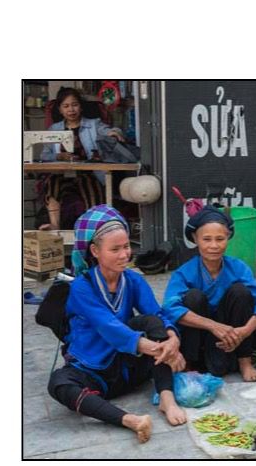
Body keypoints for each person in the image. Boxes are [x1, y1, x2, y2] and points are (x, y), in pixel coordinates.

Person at [47, 205, 187, 444]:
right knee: (58, 384)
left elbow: (157, 314)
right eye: (115, 249)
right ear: (95, 251)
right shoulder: (82, 287)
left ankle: (167, 398)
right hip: (94, 371)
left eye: (126, 247)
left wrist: (173, 338)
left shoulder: (132, 279)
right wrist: (161, 350)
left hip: (128, 367)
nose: (124, 255)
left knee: (152, 322)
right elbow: (108, 327)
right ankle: (130, 420)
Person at [162, 206, 256, 382]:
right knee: (193, 297)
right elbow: (170, 308)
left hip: (233, 337)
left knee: (241, 292)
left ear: (228, 239)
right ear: (195, 239)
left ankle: (245, 361)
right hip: (201, 340)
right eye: (206, 239)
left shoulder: (238, 267)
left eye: (220, 239)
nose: (214, 245)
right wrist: (213, 326)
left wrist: (245, 331)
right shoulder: (184, 273)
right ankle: (190, 364)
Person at [36, 87, 126, 231]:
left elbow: (111, 131)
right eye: (65, 106)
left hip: (88, 173)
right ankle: (55, 225)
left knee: (90, 185)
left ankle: (93, 228)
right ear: (60, 109)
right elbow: (44, 156)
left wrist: (114, 133)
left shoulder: (93, 124)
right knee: (52, 183)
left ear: (80, 107)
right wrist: (58, 156)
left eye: (74, 105)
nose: (71, 110)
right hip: (61, 174)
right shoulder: (54, 129)